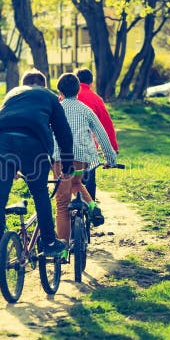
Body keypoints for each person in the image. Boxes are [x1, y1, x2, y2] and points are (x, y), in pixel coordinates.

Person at [0, 70, 75, 266]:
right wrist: (67, 164)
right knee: (39, 193)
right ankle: (50, 242)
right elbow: (63, 133)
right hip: (32, 146)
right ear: (43, 85)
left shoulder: (13, 94)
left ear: (23, 84)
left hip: (0, 143)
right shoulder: (49, 96)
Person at [52, 73, 117, 242]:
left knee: (62, 204)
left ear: (59, 91)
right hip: (81, 157)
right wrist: (110, 158)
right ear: (79, 90)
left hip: (60, 158)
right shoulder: (85, 109)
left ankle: (63, 249)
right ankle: (93, 206)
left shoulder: (55, 109)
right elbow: (102, 134)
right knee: (76, 183)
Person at [75, 67, 118, 201]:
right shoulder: (96, 99)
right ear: (91, 83)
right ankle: (90, 212)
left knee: (68, 182)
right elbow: (107, 125)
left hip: (66, 150)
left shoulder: (63, 98)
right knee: (88, 181)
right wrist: (113, 149)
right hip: (88, 149)